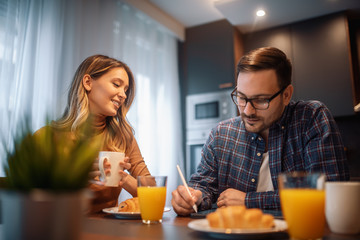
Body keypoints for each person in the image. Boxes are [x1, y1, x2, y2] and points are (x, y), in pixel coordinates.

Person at [171, 47, 350, 216]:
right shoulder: (220, 134)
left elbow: (330, 192)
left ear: (286, 95)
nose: (247, 111)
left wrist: (250, 201)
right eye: (241, 97)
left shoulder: (311, 118)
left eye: (261, 100)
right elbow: (203, 186)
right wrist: (192, 196)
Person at [35, 55, 151, 213]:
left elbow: (153, 191)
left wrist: (123, 178)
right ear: (88, 82)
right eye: (116, 84)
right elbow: (27, 199)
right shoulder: (46, 136)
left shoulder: (123, 136)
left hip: (108, 232)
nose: (123, 95)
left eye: (125, 90)